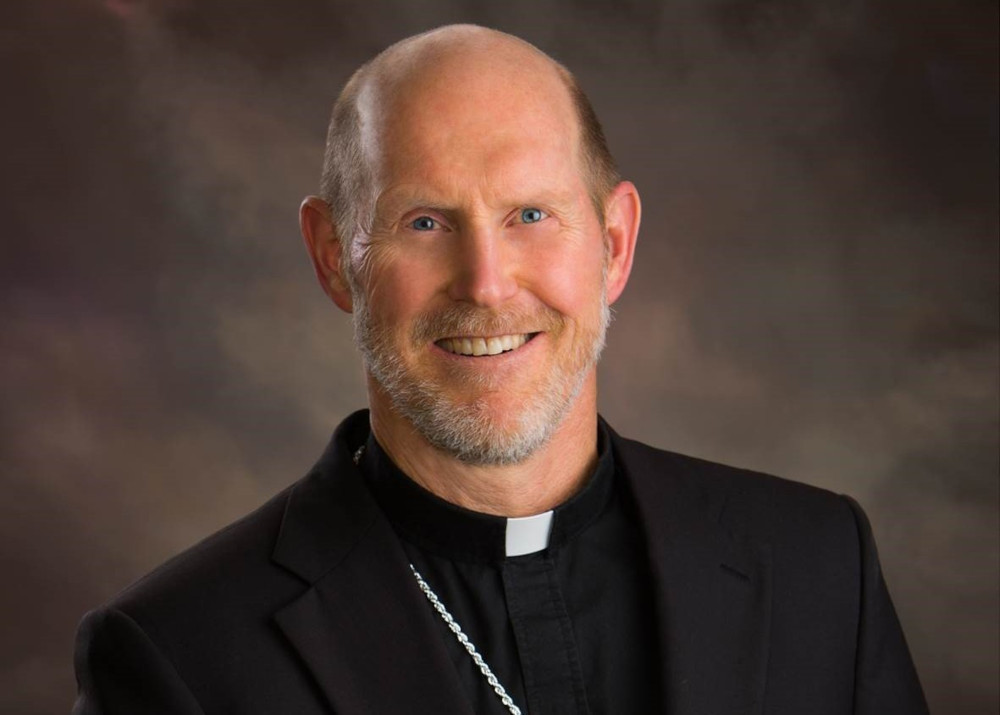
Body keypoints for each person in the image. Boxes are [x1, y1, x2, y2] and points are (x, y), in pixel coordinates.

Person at [72, 24, 928, 715]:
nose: (486, 282)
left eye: (530, 213)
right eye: (424, 222)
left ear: (615, 243)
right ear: (336, 258)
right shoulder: (178, 654)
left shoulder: (819, 565)